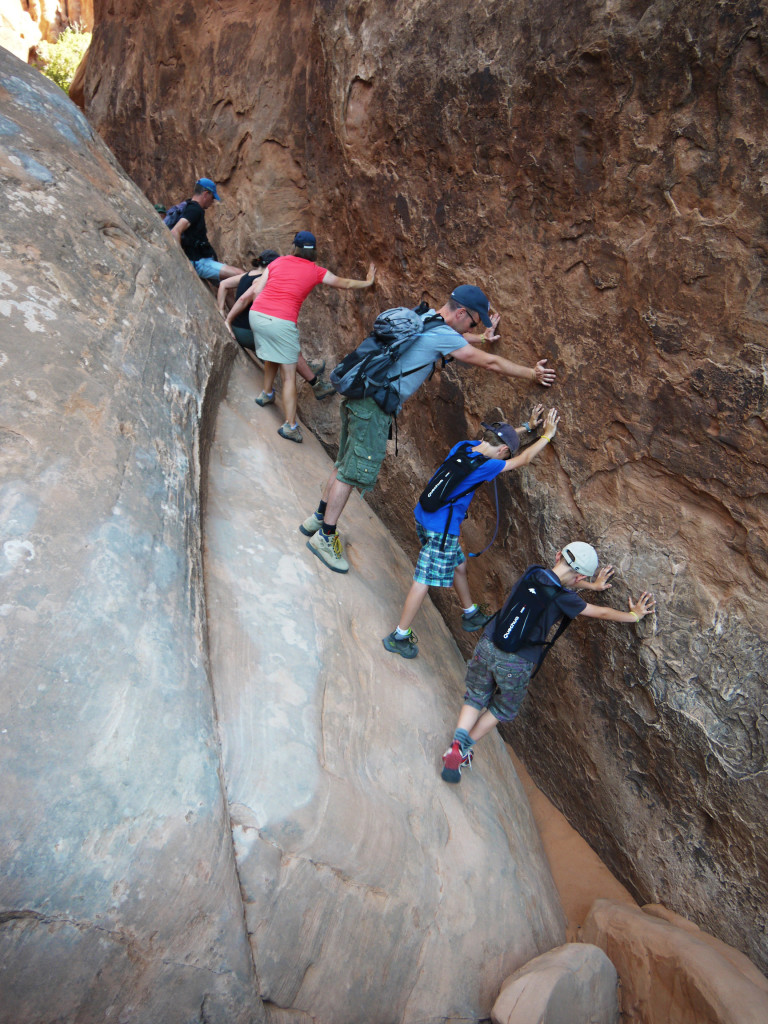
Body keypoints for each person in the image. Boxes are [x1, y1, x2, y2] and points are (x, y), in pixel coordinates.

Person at [299, 284, 557, 574]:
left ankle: (318, 518)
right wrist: (530, 373)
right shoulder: (444, 334)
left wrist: (481, 336)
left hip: (359, 396)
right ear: (462, 312)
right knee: (351, 472)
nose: (471, 328)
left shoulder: (423, 316)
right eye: (473, 322)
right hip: (374, 410)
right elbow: (490, 362)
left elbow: (451, 337)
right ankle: (326, 536)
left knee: (343, 463)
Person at [440, 542, 656, 783]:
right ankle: (465, 748)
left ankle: (456, 745)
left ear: (557, 555)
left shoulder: (533, 572)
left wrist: (591, 586)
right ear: (581, 576)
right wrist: (633, 615)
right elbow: (602, 612)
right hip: (517, 661)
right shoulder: (567, 600)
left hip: (489, 642)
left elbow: (563, 580)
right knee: (502, 708)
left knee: (477, 694)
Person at [383, 407, 558, 658]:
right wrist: (546, 436)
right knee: (423, 581)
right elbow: (523, 459)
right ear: (502, 452)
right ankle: (399, 635)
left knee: (459, 565)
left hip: (424, 515)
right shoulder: (488, 466)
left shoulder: (464, 446)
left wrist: (526, 428)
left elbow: (499, 439)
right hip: (442, 530)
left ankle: (470, 613)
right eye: (506, 452)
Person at [225, 231, 375, 444]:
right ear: (313, 251)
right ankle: (290, 426)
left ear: (294, 247)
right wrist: (367, 282)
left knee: (271, 355)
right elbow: (344, 283)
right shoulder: (316, 271)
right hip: (281, 321)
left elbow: (258, 288)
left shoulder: (277, 262)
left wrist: (264, 310)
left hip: (257, 314)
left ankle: (266, 394)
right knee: (288, 376)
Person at [217, 250, 334, 400]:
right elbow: (246, 300)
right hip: (250, 334)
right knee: (286, 340)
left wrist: (221, 311)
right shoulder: (262, 281)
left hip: (239, 330)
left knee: (285, 334)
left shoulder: (247, 275)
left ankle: (303, 368)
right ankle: (316, 385)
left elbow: (223, 284)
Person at [169, 178, 244, 283]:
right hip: (200, 262)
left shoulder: (188, 205)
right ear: (205, 194)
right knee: (240, 274)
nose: (212, 202)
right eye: (212, 197)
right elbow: (176, 231)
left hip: (202, 259)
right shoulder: (195, 210)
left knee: (227, 287)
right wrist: (181, 261)